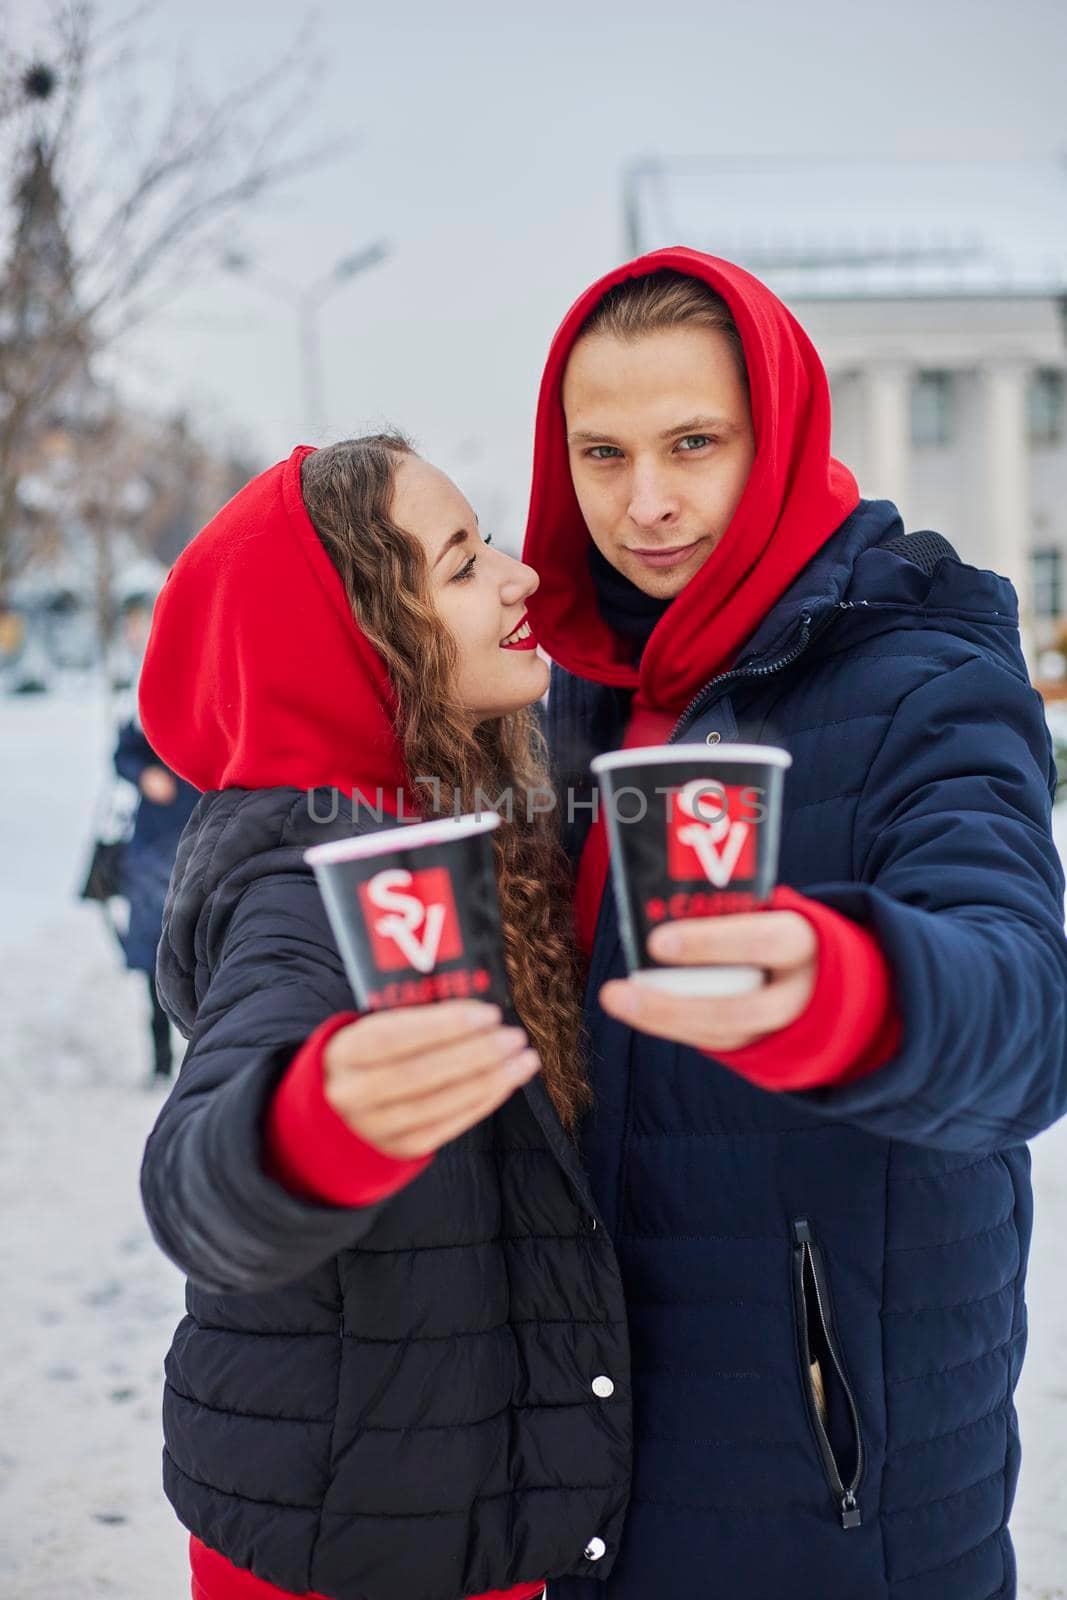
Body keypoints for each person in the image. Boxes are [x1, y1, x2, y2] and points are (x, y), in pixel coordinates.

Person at [522, 248, 1067, 1600]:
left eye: (691, 444)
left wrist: (849, 987)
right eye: (600, 454)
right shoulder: (580, 693)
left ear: (776, 438)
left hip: (834, 1491)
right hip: (599, 1461)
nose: (642, 503)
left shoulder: (918, 676)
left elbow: (1020, 1012)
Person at [137, 436, 632, 1600]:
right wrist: (313, 1125)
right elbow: (197, 1178)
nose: (517, 580)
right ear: (358, 640)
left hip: (440, 1514)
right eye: (461, 566)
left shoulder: (456, 822)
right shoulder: (308, 882)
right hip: (345, 1546)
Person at [112, 710, 199, 1081]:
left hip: (206, 839)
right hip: (153, 849)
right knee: (155, 957)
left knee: (207, 951)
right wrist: (143, 774)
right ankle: (162, 1062)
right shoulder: (144, 701)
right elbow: (123, 754)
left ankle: (205, 1059)